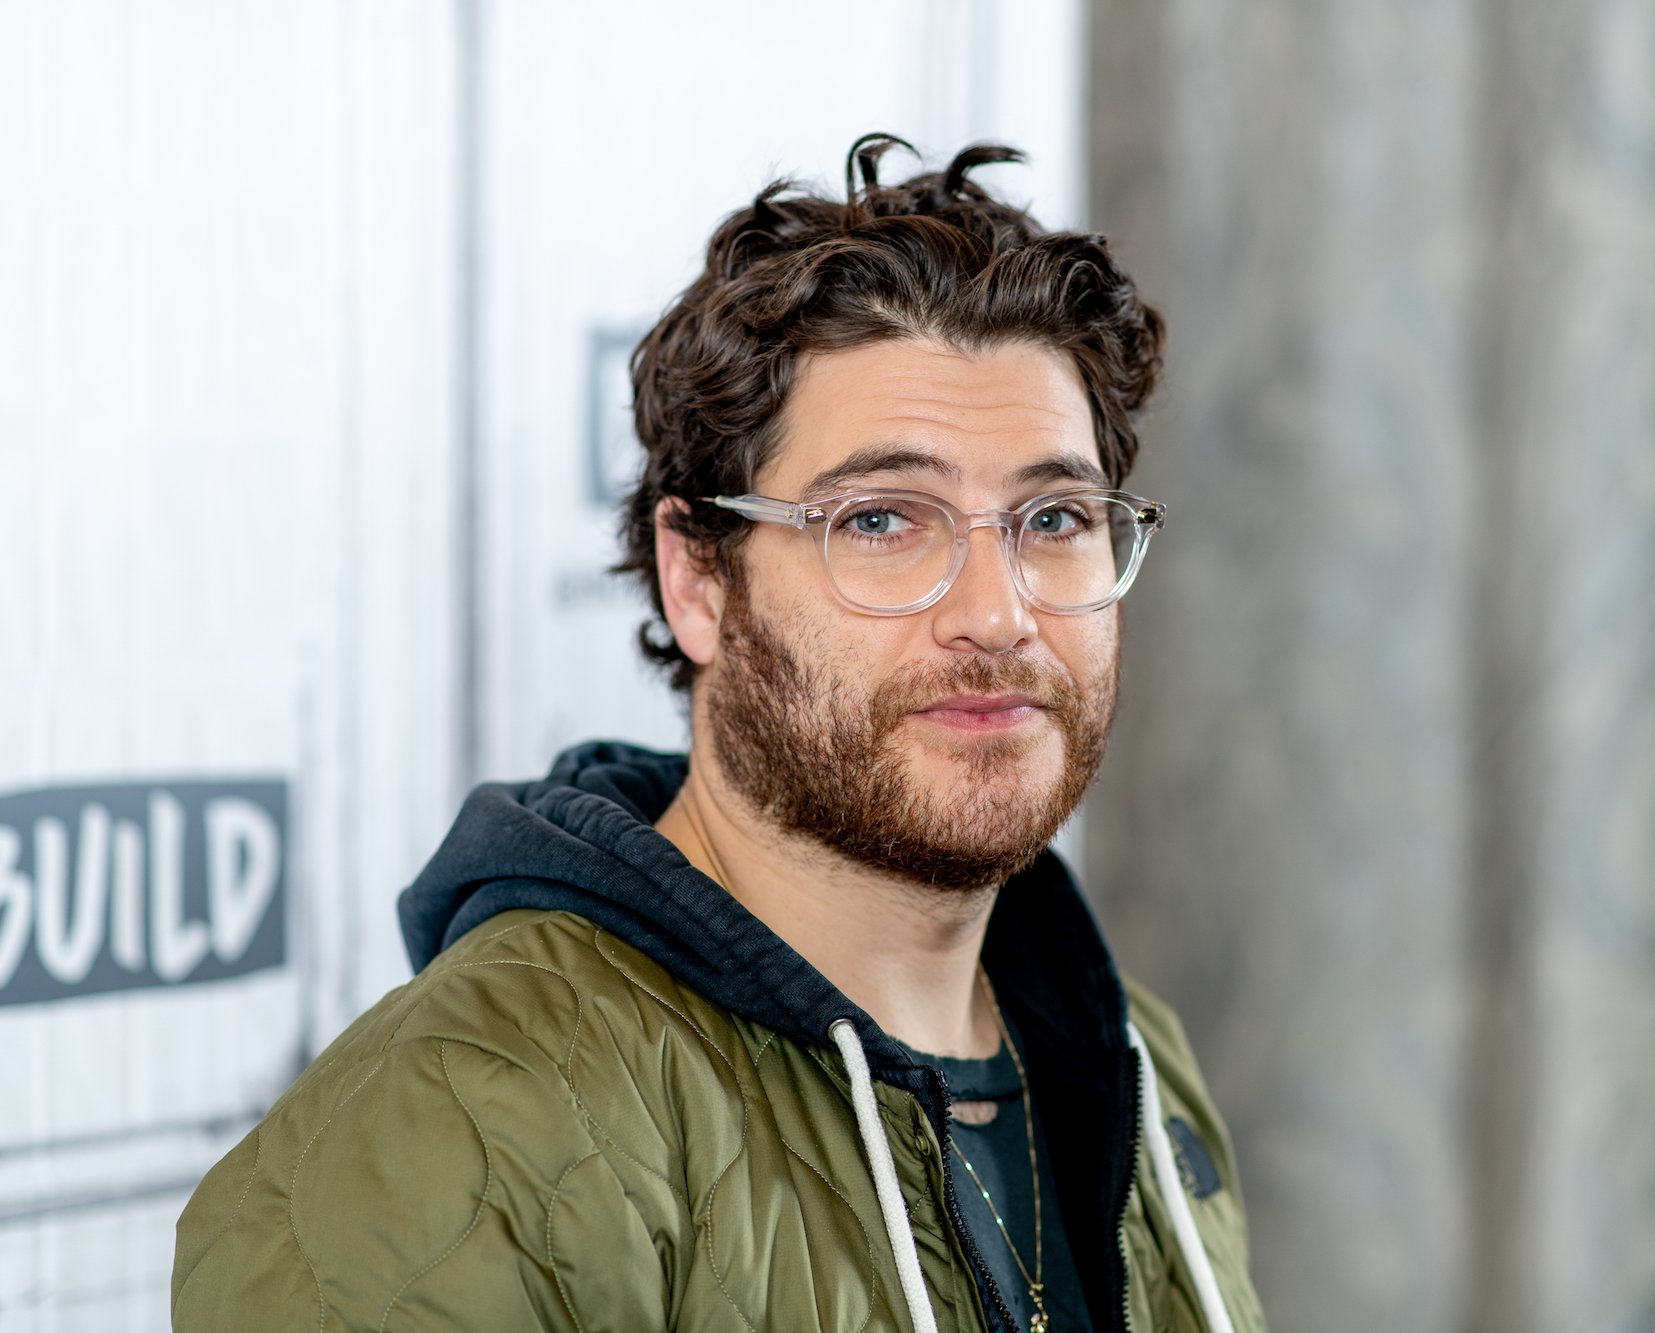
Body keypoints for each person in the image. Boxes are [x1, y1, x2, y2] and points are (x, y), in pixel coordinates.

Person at [171, 134, 1265, 1333]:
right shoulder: (463, 1126)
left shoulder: (1127, 1054)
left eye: (1052, 515)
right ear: (696, 579)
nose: (996, 614)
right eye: (883, 518)